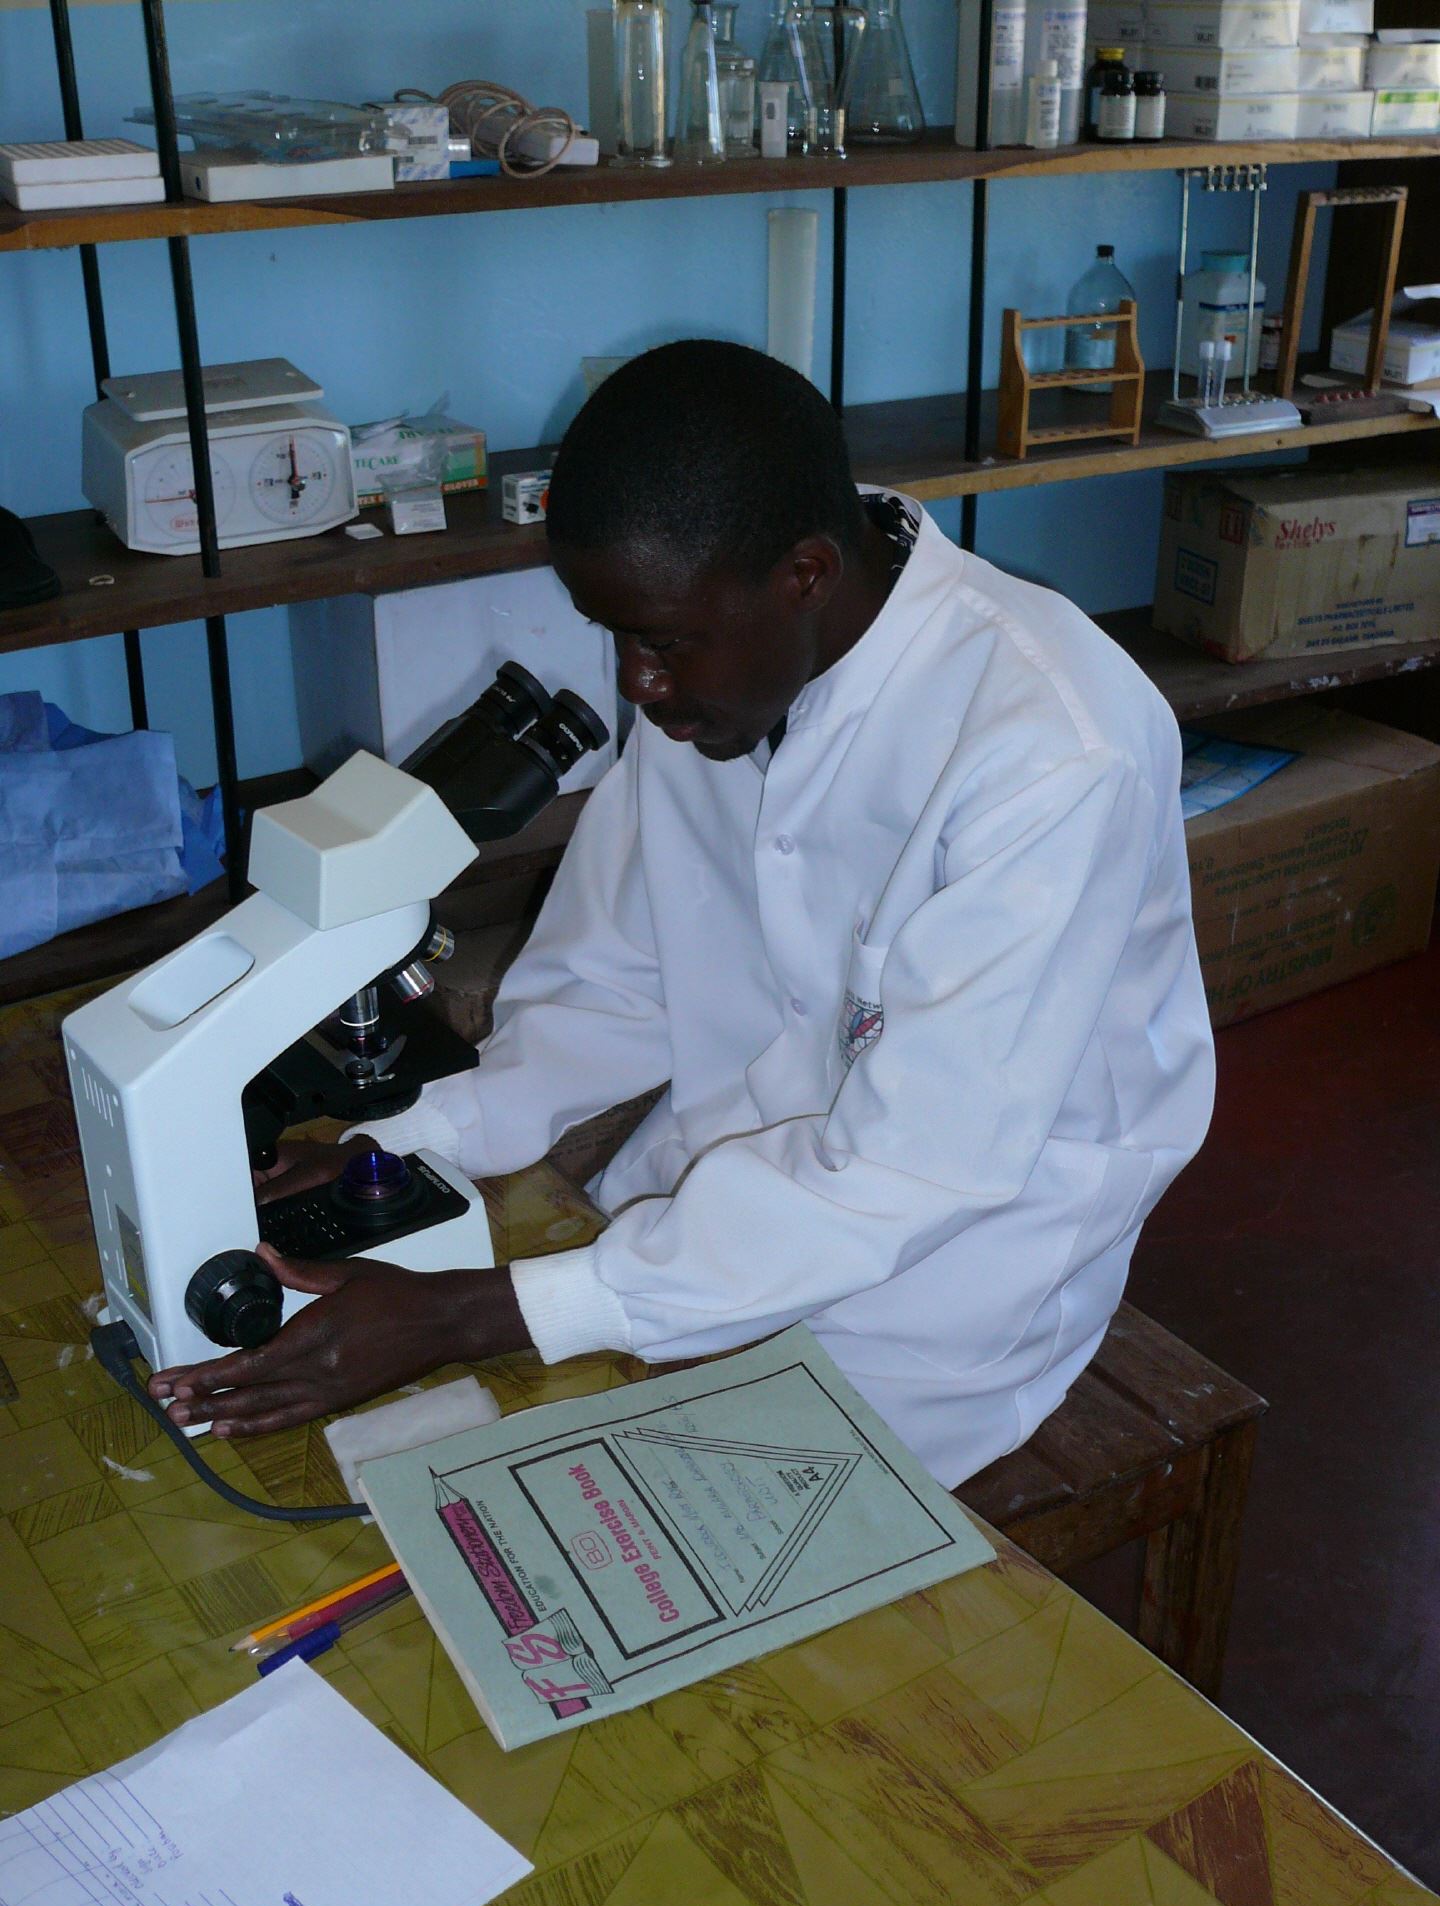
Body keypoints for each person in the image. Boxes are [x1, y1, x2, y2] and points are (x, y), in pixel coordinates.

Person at [150, 339, 1215, 1488]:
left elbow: (915, 1171)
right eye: (614, 634)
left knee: (586, 1531)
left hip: (954, 1274)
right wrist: (399, 1150)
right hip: (713, 1183)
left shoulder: (1053, 752)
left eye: (659, 643)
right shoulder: (724, 669)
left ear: (806, 574)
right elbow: (616, 983)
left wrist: (465, 1316)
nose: (634, 684)